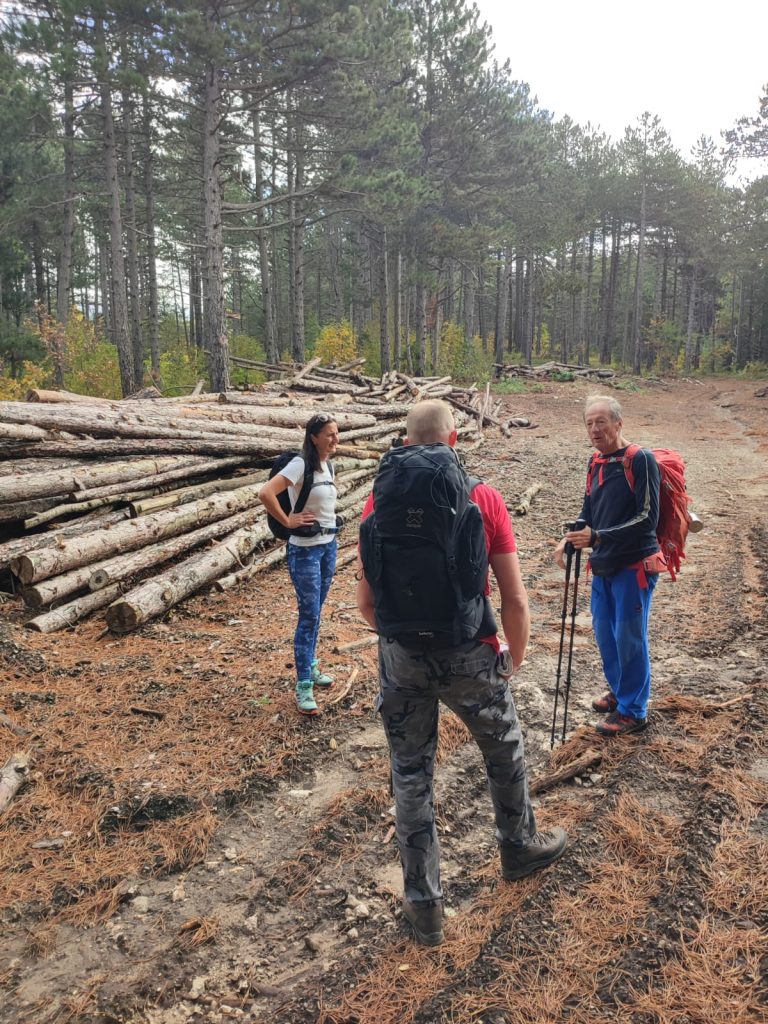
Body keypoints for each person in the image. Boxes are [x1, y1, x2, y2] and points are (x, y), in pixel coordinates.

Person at [356, 399, 567, 947]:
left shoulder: (377, 500)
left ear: (405, 442)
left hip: (402, 659)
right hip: (470, 652)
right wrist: (513, 658)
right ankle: (518, 847)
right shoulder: (484, 498)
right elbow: (515, 598)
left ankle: (424, 906)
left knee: (410, 774)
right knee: (504, 750)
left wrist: (404, 645)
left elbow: (367, 606)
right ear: (455, 440)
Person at [554, 395, 663, 738]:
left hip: (634, 565)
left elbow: (647, 519)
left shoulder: (640, 460)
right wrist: (571, 538)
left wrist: (597, 537)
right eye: (589, 423)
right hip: (603, 564)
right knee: (605, 634)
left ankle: (634, 711)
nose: (594, 429)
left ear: (619, 423)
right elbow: (589, 509)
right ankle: (620, 690)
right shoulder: (596, 462)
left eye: (601, 421)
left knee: (629, 637)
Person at [259, 413, 340, 716]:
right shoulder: (300, 464)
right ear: (314, 437)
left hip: (328, 547)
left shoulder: (328, 466)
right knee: (309, 616)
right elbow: (266, 493)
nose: (335, 439)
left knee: (317, 612)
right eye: (329, 434)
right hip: (305, 551)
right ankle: (304, 684)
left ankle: (312, 666)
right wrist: (287, 520)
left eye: (336, 433)